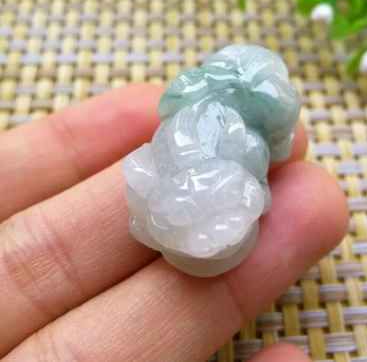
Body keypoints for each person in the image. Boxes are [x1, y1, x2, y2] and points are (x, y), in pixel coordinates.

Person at [0, 84, 348, 362]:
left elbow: (254, 192)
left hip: (201, 205)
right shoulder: (204, 127)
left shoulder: (243, 144)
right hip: (184, 205)